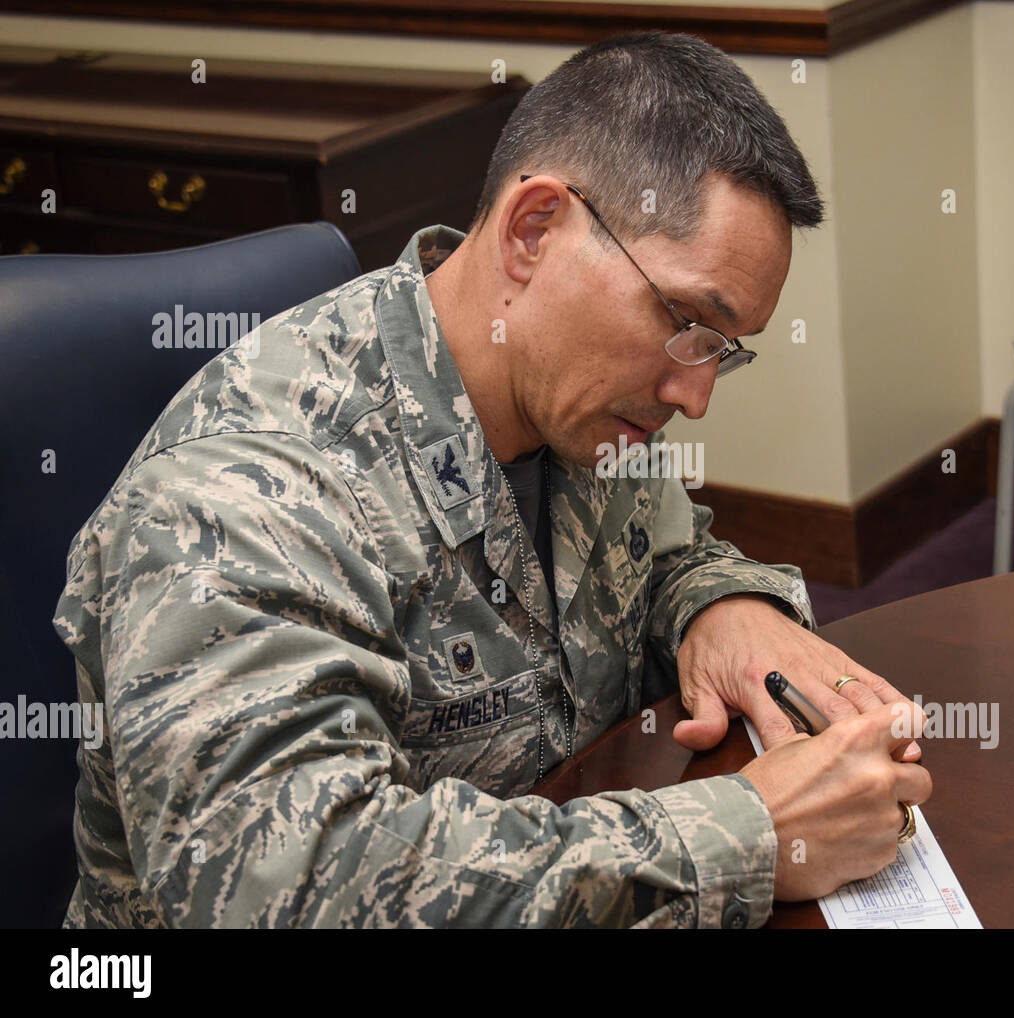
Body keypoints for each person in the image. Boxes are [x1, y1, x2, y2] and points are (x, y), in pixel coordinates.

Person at [53, 30, 930, 929]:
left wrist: (717, 607)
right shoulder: (242, 493)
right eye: (683, 321)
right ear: (534, 229)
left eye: (719, 348)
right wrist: (750, 834)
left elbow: (657, 556)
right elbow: (284, 889)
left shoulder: (575, 403)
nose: (694, 394)